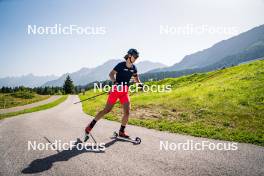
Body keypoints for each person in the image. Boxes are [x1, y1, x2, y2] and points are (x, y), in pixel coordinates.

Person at [84, 48, 143, 142]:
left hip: (124, 92)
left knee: (127, 112)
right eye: (135, 56)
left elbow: (136, 78)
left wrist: (140, 84)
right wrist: (115, 82)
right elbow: (111, 74)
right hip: (116, 90)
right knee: (106, 110)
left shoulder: (134, 68)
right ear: (129, 56)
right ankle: (89, 126)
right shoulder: (120, 65)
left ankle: (121, 131)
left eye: (137, 57)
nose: (136, 58)